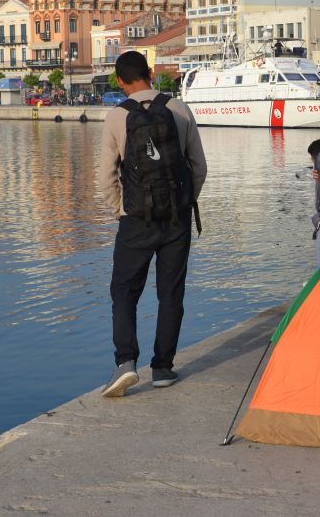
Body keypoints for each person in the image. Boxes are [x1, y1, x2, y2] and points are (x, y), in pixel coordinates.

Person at [98, 51, 208, 397]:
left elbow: (105, 178)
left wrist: (122, 211)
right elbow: (198, 167)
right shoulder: (179, 109)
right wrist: (183, 202)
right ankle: (162, 368)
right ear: (149, 73)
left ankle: (126, 363)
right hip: (176, 219)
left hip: (136, 221)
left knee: (123, 291)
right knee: (171, 293)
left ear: (119, 81)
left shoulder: (117, 117)